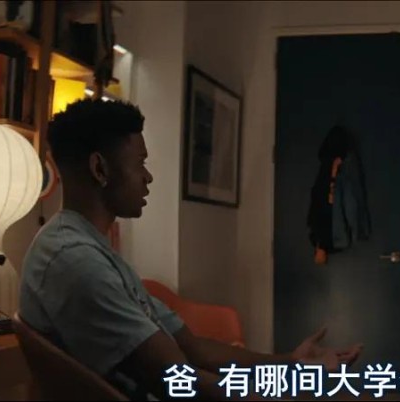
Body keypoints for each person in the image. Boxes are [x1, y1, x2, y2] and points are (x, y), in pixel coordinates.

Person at [19, 99, 362, 401]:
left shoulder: (92, 250)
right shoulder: (73, 260)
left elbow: (194, 349)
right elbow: (179, 381)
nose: (148, 177)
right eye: (140, 163)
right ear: (100, 169)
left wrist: (291, 364)